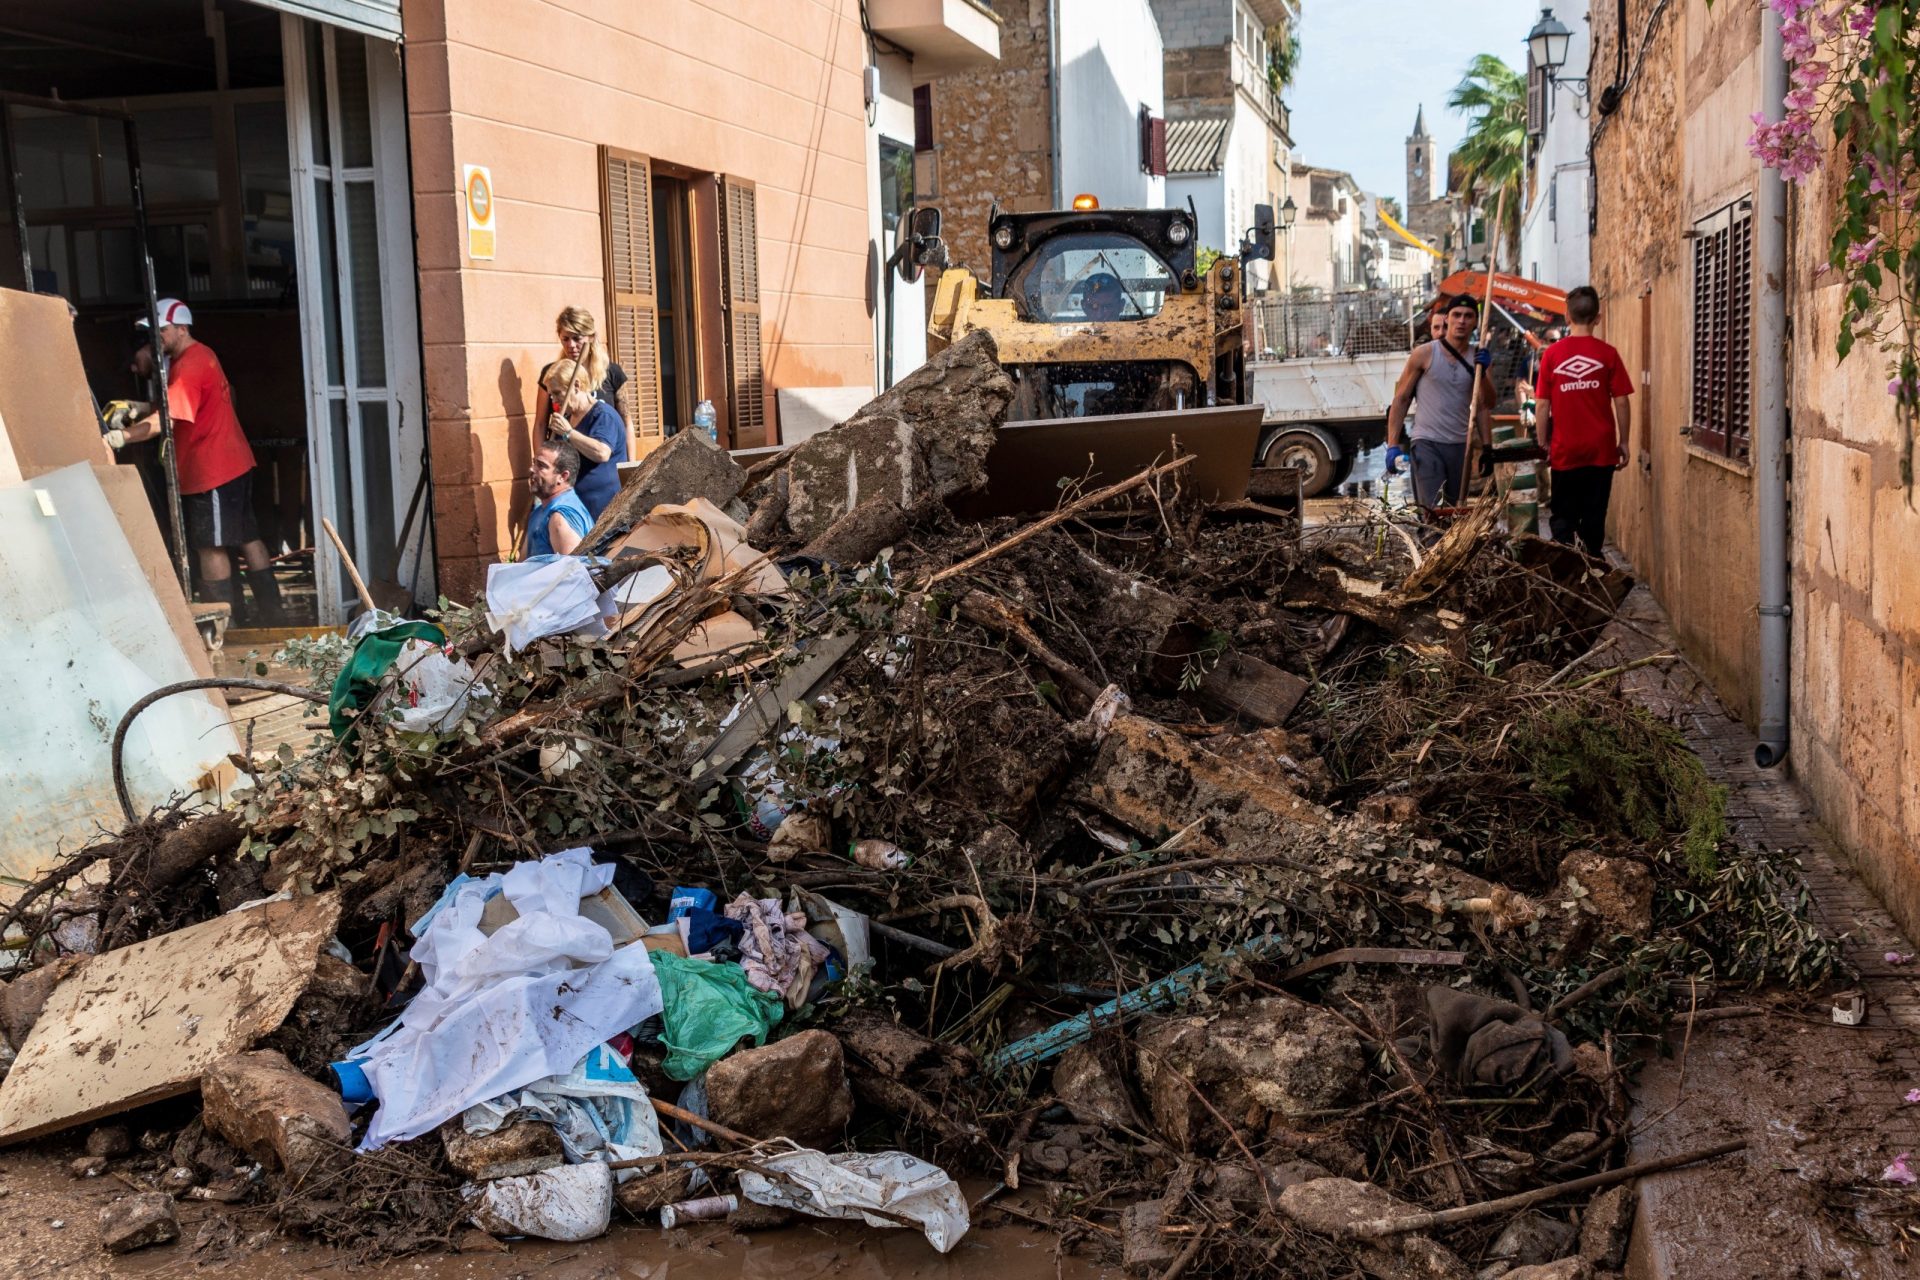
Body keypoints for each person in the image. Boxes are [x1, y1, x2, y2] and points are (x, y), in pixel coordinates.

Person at [105, 299, 283, 623]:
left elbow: (166, 420)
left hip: (211, 470)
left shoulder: (189, 364)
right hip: (233, 462)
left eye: (162, 330)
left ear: (182, 328)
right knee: (247, 537)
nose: (156, 337)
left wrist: (121, 437)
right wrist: (141, 407)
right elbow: (180, 404)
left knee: (209, 546)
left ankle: (224, 624)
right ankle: (274, 615)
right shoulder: (202, 356)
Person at [1535, 286, 1634, 556]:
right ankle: (1591, 568)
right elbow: (1622, 401)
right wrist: (1623, 441)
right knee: (1594, 514)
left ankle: (1567, 565)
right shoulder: (1608, 354)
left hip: (1566, 449)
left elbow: (1542, 405)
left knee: (1563, 515)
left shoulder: (1552, 355)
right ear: (1597, 318)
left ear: (1566, 316)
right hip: (1601, 450)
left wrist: (1543, 442)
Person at [1383, 293, 1495, 509]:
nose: (1462, 320)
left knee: (1452, 512)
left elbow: (1485, 404)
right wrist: (1392, 445)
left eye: (1468, 316)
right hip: (1427, 443)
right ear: (1447, 319)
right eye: (1457, 315)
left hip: (1461, 445)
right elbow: (1401, 399)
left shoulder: (1479, 358)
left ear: (1475, 323)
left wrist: (1488, 448)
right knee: (1433, 510)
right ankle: (1430, 542)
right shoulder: (1424, 354)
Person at [542, 358, 628, 520]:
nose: (553, 400)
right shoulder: (566, 419)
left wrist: (569, 433)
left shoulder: (603, 415)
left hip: (603, 514)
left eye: (557, 393)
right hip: (574, 511)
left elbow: (602, 452)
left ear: (576, 385)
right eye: (551, 395)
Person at [537, 307, 627, 422]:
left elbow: (626, 422)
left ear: (591, 337)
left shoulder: (612, 372)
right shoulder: (551, 373)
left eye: (577, 338)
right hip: (563, 440)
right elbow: (540, 424)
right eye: (565, 339)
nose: (571, 345)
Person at [526, 441, 591, 557]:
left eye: (541, 466)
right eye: (534, 463)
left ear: (562, 476)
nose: (531, 469)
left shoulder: (560, 519)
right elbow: (522, 564)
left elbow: (572, 572)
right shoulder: (539, 512)